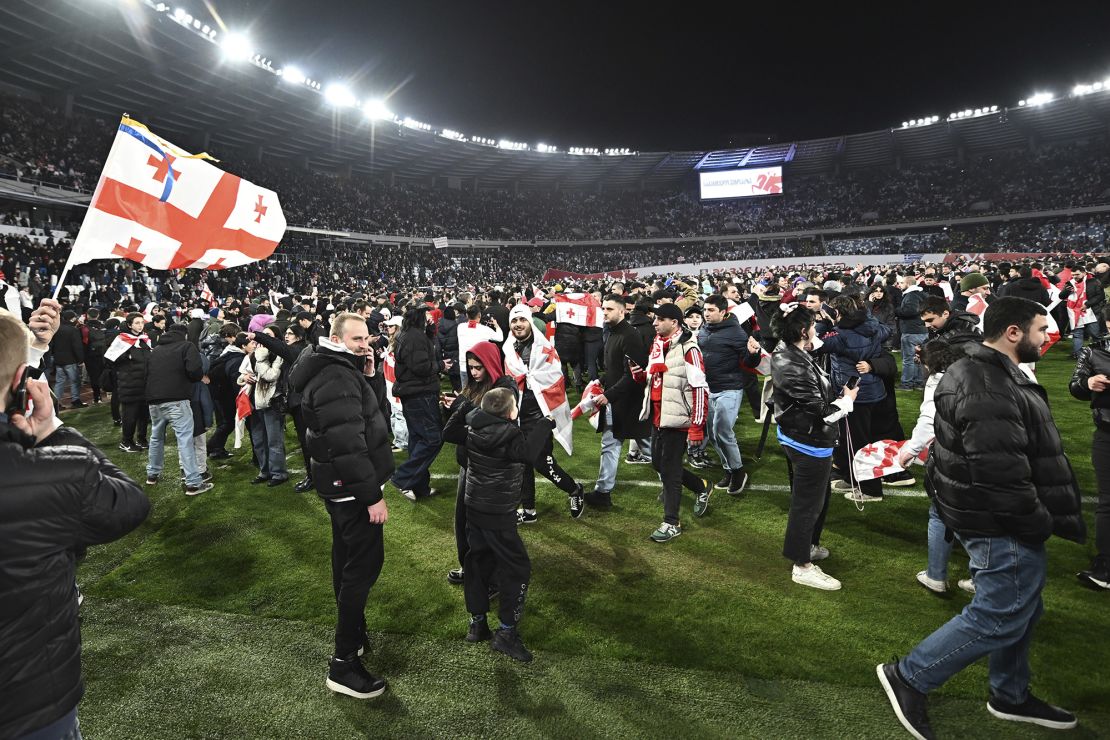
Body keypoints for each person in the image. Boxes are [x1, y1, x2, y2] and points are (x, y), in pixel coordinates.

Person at [878, 297, 1084, 739]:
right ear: (1013, 332)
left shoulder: (987, 371)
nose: (1049, 336)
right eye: (1041, 329)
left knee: (1023, 608)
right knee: (1001, 612)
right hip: (999, 521)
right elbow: (998, 469)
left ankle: (1009, 694)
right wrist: (1036, 520)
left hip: (995, 515)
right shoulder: (984, 380)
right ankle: (910, 676)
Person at [0, 307, 150, 740]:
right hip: (27, 702)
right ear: (18, 385)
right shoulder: (48, 471)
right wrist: (51, 429)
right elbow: (129, 502)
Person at [290, 312, 395, 700]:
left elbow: (368, 415)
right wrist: (372, 496)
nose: (365, 344)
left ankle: (355, 635)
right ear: (336, 338)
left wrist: (368, 374)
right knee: (362, 568)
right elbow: (348, 443)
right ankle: (343, 662)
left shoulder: (335, 368)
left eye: (366, 337)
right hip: (352, 489)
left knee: (345, 559)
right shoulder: (335, 376)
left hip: (338, 486)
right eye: (356, 339)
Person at [459, 387, 555, 663]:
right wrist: (544, 425)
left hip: (474, 507)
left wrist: (463, 409)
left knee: (477, 561)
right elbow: (528, 453)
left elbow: (458, 454)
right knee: (518, 567)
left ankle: (477, 624)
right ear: (511, 412)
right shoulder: (510, 434)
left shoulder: (471, 427)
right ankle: (506, 633)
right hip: (498, 513)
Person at [770, 304, 856, 591]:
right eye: (812, 326)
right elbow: (824, 412)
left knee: (816, 500)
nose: (817, 331)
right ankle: (801, 564)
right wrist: (848, 400)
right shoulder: (791, 362)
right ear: (802, 330)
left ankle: (808, 545)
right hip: (807, 441)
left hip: (806, 437)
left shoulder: (791, 351)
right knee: (807, 504)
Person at [897, 340, 975, 595]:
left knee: (944, 512)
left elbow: (931, 418)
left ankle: (948, 575)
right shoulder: (971, 372)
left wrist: (909, 449)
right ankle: (973, 574)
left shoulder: (938, 381)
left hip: (955, 455)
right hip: (983, 451)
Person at [442, 341, 518, 585]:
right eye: (471, 367)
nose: (474, 372)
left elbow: (488, 424)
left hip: (494, 472)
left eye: (479, 367)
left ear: (491, 364)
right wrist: (454, 409)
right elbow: (454, 428)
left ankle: (491, 579)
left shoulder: (504, 387)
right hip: (471, 465)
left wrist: (461, 408)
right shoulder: (474, 387)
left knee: (487, 530)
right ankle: (472, 568)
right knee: (464, 521)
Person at [502, 304, 586, 522]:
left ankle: (574, 489)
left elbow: (556, 379)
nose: (518, 325)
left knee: (541, 462)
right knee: (521, 463)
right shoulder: (508, 348)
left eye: (522, 320)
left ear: (530, 322)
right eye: (514, 321)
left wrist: (548, 411)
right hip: (517, 413)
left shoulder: (545, 348)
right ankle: (529, 511)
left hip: (541, 413)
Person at [635, 302, 710, 542]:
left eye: (659, 319)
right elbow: (654, 376)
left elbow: (700, 387)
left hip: (678, 418)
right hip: (660, 414)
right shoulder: (659, 343)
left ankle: (671, 522)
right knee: (659, 464)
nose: (655, 323)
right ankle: (701, 487)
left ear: (674, 322)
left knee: (669, 470)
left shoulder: (690, 349)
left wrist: (697, 426)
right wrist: (640, 374)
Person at [816, 294, 891, 503]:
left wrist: (824, 322)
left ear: (837, 313)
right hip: (873, 390)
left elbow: (814, 344)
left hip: (856, 394)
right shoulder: (872, 325)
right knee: (856, 440)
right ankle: (852, 478)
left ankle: (870, 489)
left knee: (859, 443)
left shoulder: (841, 336)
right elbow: (887, 330)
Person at [586, 294, 652, 508]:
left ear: (622, 311)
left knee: (656, 452)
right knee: (610, 444)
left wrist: (608, 394)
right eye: (603, 308)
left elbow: (634, 374)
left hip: (629, 403)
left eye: (610, 309)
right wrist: (602, 380)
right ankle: (603, 493)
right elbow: (616, 368)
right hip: (618, 401)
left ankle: (692, 483)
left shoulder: (629, 335)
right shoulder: (613, 333)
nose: (604, 312)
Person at [700, 294, 760, 495]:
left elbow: (748, 362)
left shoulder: (735, 332)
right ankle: (729, 468)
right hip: (708, 389)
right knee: (713, 434)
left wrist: (753, 353)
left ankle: (738, 472)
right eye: (705, 309)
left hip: (729, 388)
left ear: (723, 312)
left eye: (711, 310)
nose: (706, 314)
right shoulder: (703, 330)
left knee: (722, 431)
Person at [1069, 304, 1110, 590]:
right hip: (1106, 434)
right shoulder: (1093, 352)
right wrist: (1088, 383)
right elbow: (1075, 386)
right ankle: (1106, 564)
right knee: (1107, 502)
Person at [145, 323, 212, 495]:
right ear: (185, 334)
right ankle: (193, 483)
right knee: (185, 440)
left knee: (156, 438)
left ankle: (152, 474)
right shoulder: (186, 346)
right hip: (177, 400)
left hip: (154, 400)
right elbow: (194, 371)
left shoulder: (156, 349)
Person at [391, 305, 450, 501]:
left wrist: (430, 331)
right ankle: (403, 478)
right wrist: (441, 365)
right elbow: (421, 367)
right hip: (420, 393)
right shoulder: (414, 337)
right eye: (426, 317)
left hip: (414, 393)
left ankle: (420, 487)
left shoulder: (410, 333)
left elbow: (423, 353)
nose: (429, 319)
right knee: (433, 438)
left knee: (417, 440)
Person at [239, 325, 288, 487]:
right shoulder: (253, 355)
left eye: (267, 335)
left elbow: (270, 375)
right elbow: (241, 376)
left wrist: (260, 357)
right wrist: (244, 377)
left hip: (271, 402)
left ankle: (278, 473)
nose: (261, 338)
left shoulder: (278, 355)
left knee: (274, 440)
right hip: (253, 402)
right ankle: (264, 470)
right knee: (259, 440)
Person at [108, 312, 152, 452]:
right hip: (129, 385)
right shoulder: (121, 340)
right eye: (137, 323)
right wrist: (126, 355)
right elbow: (109, 360)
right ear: (129, 325)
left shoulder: (145, 339)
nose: (140, 325)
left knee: (144, 415)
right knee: (130, 416)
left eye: (141, 322)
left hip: (144, 384)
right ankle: (126, 441)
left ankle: (141, 439)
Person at [895, 274, 927, 390]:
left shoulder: (911, 296)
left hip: (912, 331)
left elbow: (910, 311)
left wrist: (897, 311)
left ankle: (907, 384)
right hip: (922, 330)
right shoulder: (921, 294)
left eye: (902, 283)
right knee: (919, 358)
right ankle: (918, 383)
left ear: (908, 284)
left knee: (909, 359)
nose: (900, 285)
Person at [51, 309, 86, 409]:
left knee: (59, 382)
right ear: (72, 318)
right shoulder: (73, 330)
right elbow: (77, 346)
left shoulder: (56, 328)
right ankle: (76, 401)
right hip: (70, 360)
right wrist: (81, 359)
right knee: (75, 381)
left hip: (58, 359)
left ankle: (56, 403)